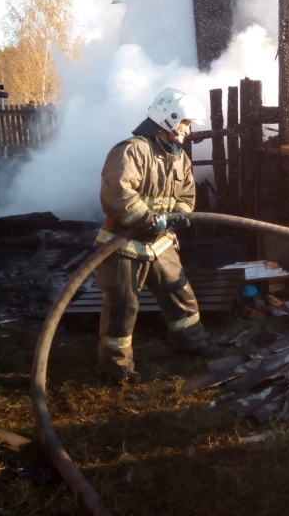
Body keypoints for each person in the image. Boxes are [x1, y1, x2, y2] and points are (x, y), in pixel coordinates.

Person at [95, 87, 220, 384]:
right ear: (168, 119)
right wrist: (150, 220)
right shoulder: (131, 150)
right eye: (186, 124)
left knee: (181, 295)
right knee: (122, 307)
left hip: (160, 244)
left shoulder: (179, 158)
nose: (188, 131)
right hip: (124, 244)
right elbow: (117, 195)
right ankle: (117, 369)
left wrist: (178, 216)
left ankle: (192, 344)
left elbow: (187, 194)